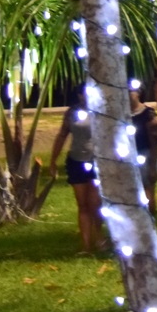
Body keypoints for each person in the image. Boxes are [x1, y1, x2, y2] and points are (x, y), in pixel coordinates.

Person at [49, 84, 104, 254]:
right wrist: (53, 160)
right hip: (76, 160)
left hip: (96, 161)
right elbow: (62, 135)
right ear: (79, 96)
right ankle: (85, 245)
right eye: (83, 94)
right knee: (82, 204)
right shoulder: (72, 113)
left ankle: (99, 236)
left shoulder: (101, 111)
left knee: (94, 203)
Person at [129, 82, 157, 215]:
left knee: (147, 190)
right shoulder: (122, 114)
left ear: (138, 94)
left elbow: (154, 141)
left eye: (130, 92)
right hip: (127, 157)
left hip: (144, 155)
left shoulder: (148, 114)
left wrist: (152, 165)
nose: (128, 95)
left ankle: (150, 219)